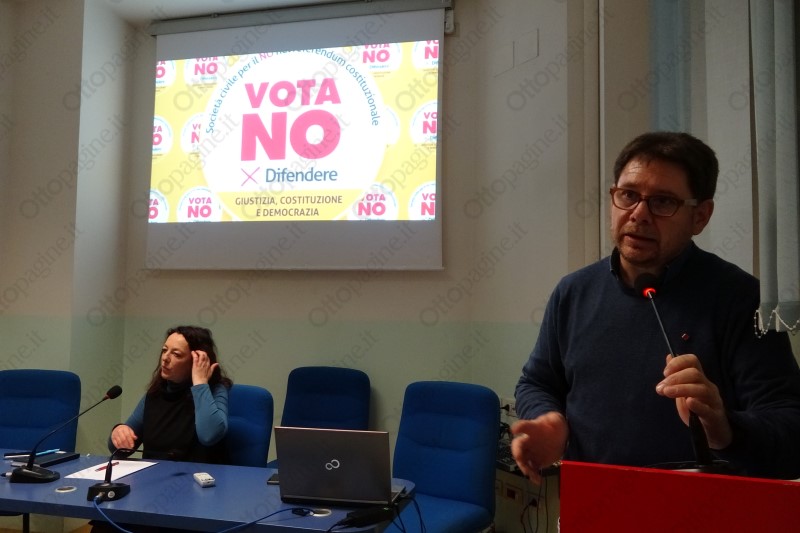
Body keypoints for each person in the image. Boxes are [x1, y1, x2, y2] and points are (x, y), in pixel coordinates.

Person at [512, 131, 800, 483]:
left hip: (701, 505)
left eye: (663, 202)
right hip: (591, 500)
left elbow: (790, 428)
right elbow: (537, 381)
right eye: (628, 195)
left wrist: (725, 428)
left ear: (700, 216)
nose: (639, 214)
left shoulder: (740, 298)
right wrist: (548, 419)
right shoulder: (573, 292)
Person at [108, 325, 232, 463]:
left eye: (176, 354)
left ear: (196, 361)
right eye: (164, 350)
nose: (165, 358)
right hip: (154, 474)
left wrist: (200, 384)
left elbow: (209, 436)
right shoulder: (155, 393)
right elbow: (120, 449)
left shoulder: (215, 390)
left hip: (196, 475)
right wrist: (118, 432)